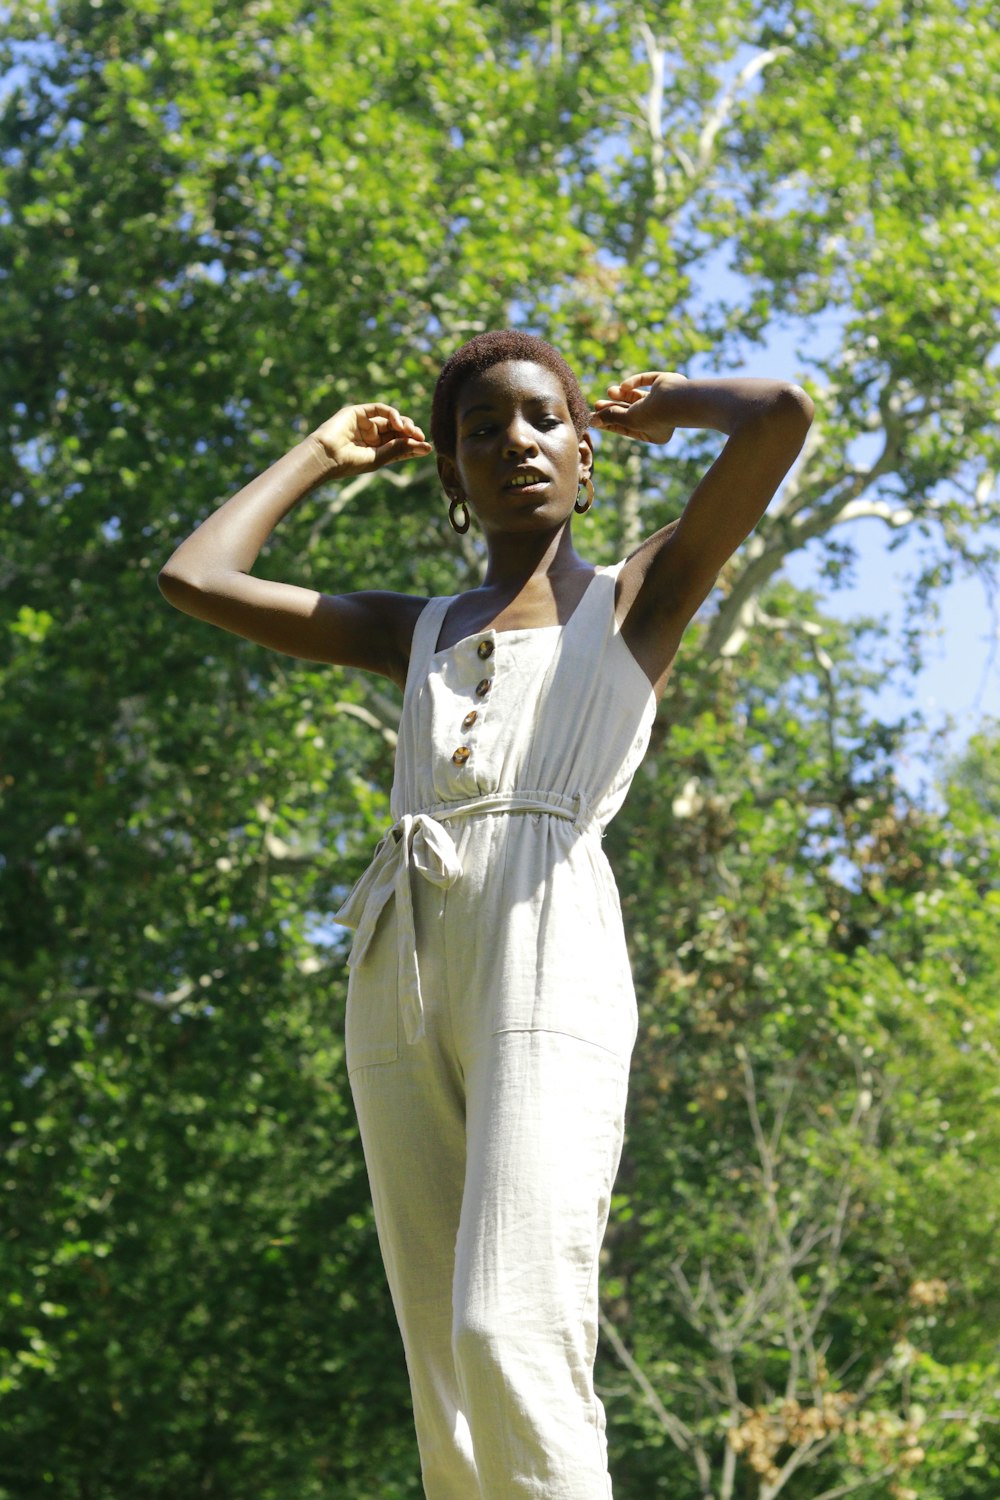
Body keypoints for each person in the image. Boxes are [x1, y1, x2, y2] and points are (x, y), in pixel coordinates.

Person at [158, 329, 814, 1499]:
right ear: (451, 478)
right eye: (480, 429)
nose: (515, 439)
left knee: (508, 1326)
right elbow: (195, 580)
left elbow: (778, 418)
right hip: (396, 955)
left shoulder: (635, 597)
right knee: (440, 1369)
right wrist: (322, 449)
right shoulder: (410, 628)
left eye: (543, 419)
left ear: (584, 454)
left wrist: (666, 401)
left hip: (545, 944)